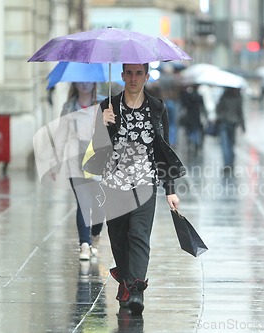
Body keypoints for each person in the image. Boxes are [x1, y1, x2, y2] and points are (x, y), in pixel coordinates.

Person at [83, 63, 186, 315]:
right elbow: (97, 147)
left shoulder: (157, 107)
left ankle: (136, 289)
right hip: (114, 183)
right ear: (122, 75)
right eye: (129, 73)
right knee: (118, 237)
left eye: (139, 73)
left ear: (146, 76)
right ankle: (127, 282)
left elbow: (164, 148)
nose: (133, 78)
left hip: (145, 182)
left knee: (139, 234)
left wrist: (169, 188)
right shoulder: (108, 106)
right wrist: (103, 125)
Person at [51, 82, 105, 261]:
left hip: (97, 160)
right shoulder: (69, 107)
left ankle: (95, 235)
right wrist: (55, 162)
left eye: (88, 80)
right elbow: (60, 136)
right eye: (80, 80)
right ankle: (84, 243)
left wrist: (107, 121)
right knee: (83, 202)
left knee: (99, 206)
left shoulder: (104, 105)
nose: (84, 84)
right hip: (75, 160)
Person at [215, 87, 246, 173]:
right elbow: (240, 113)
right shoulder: (238, 97)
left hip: (224, 122)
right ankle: (230, 163)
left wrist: (221, 116)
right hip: (233, 123)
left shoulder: (224, 97)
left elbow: (218, 109)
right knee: (231, 144)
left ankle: (227, 164)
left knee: (225, 144)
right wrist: (243, 126)